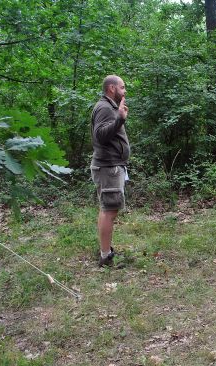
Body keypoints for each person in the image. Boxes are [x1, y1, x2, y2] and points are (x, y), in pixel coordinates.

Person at [90, 75, 129, 267]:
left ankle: (106, 251)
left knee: (107, 209)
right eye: (122, 87)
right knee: (110, 211)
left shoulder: (108, 106)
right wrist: (119, 120)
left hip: (111, 166)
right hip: (108, 167)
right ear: (112, 88)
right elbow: (100, 136)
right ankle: (105, 257)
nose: (125, 91)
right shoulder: (105, 107)